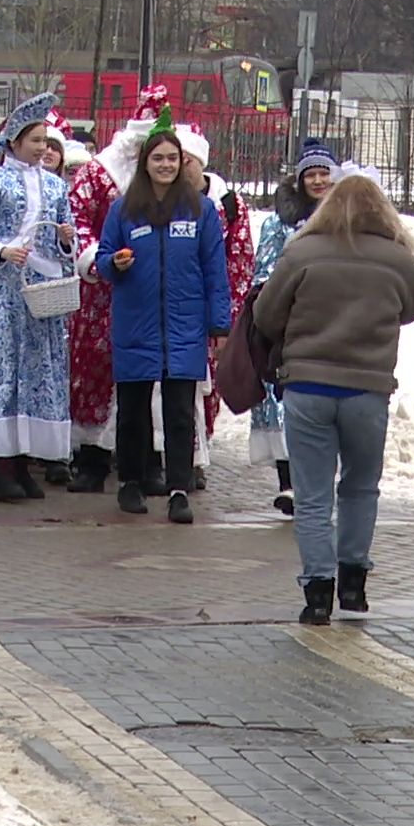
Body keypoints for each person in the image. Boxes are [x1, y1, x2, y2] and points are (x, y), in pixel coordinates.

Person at [255, 172, 414, 624]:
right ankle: (354, 583)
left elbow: (266, 313)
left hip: (308, 387)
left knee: (312, 497)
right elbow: (413, 308)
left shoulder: (302, 252)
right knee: (360, 486)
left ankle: (317, 592)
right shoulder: (400, 260)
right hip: (368, 389)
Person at [94, 119, 232, 523]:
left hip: (184, 326)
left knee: (179, 412)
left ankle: (178, 490)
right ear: (145, 163)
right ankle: (131, 483)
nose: (166, 165)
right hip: (136, 322)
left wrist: (218, 325)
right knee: (133, 410)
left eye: (173, 158)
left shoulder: (201, 210)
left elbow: (215, 271)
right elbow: (102, 258)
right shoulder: (123, 209)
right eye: (159, 158)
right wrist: (114, 264)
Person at [0, 92, 77, 502]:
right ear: (13, 142)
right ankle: (1, 469)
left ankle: (27, 462)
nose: (43, 148)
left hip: (42, 295)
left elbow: (68, 240)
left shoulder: (55, 186)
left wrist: (66, 241)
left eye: (46, 141)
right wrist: (2, 251)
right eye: (35, 141)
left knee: (36, 375)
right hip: (3, 294)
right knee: (4, 374)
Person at [65, 85, 168, 493]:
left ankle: (148, 461)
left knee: (152, 376)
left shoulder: (170, 181)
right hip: (104, 291)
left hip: (152, 295)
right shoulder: (98, 172)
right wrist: (96, 258)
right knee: (96, 370)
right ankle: (91, 460)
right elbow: (78, 218)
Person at [252, 139, 336, 515]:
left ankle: (315, 483)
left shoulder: (345, 222)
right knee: (283, 402)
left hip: (332, 325)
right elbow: (266, 269)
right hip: (288, 326)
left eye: (324, 174)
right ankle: (289, 485)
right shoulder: (279, 223)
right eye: (311, 175)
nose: (318, 181)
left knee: (323, 405)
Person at [178, 122, 253, 489]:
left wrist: (227, 313)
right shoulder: (168, 201)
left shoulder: (228, 203)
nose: (181, 167)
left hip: (215, 309)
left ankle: (197, 453)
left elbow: (240, 257)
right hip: (181, 309)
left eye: (187, 160)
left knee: (209, 389)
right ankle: (174, 453)